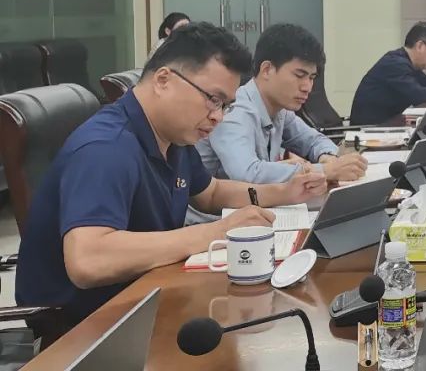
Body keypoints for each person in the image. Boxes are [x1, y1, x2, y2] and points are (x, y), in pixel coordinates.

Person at [15, 23, 328, 341]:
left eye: (226, 105)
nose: (218, 116)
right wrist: (216, 232)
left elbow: (211, 193)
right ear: (163, 80)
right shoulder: (106, 148)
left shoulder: (173, 136)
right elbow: (88, 260)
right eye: (213, 99)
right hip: (87, 330)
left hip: (149, 295)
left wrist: (283, 192)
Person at [189, 24, 367, 224]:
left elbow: (313, 140)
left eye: (312, 78)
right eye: (299, 75)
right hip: (213, 221)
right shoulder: (235, 110)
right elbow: (247, 174)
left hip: (257, 211)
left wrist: (327, 157)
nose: (307, 87)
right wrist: (325, 171)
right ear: (267, 69)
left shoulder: (280, 109)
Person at [350, 21, 426, 126]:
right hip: (369, 132)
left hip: (388, 126)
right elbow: (418, 95)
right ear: (420, 46)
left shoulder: (407, 62)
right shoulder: (395, 63)